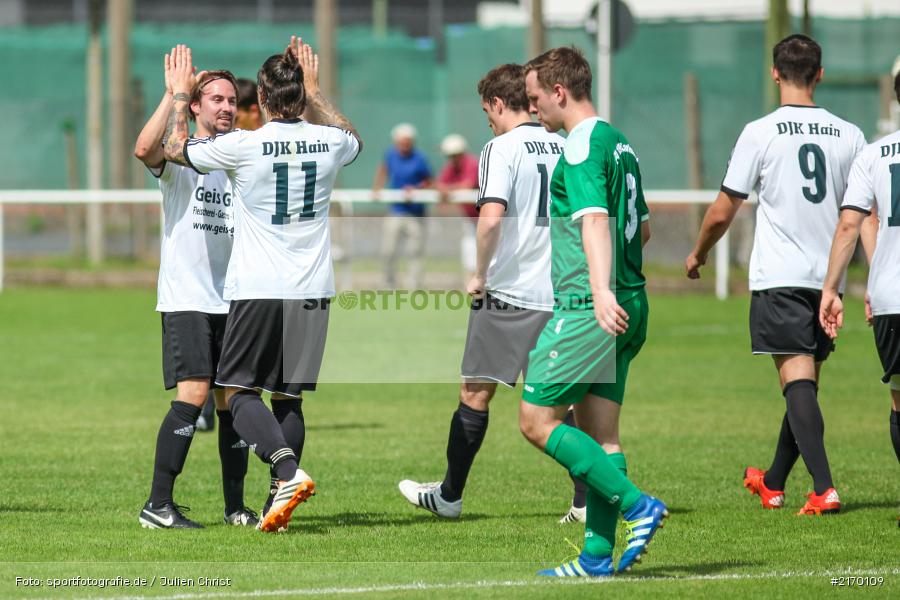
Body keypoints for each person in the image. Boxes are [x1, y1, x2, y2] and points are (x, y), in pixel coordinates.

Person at [162, 39, 362, 533]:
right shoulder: (331, 142)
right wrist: (317, 93)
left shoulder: (245, 144)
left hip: (261, 286)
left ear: (265, 101)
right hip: (315, 288)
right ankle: (278, 499)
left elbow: (172, 149)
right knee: (289, 398)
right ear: (302, 94)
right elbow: (351, 135)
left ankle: (287, 473)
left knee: (235, 389)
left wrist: (177, 96)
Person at [686, 34, 866, 516]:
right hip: (827, 280)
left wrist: (698, 253)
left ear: (774, 73)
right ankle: (773, 481)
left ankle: (825, 487)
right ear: (820, 74)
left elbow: (725, 209)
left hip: (780, 277)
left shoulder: (760, 132)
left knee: (797, 385)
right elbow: (862, 213)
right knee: (803, 383)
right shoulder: (850, 135)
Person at [398, 63, 585, 523]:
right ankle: (585, 501)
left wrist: (478, 274)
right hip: (562, 291)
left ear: (499, 105)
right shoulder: (566, 144)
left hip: (510, 292)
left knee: (475, 393)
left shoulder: (500, 148)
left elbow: (491, 217)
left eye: (488, 113)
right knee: (565, 402)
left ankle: (450, 495)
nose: (489, 121)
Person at [519, 46, 666, 577]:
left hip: (590, 307)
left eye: (536, 100)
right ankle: (596, 558)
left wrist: (599, 290)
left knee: (536, 419)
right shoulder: (619, 142)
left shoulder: (580, 145)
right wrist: (618, 288)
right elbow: (643, 229)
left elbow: (596, 221)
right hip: (632, 299)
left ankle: (637, 504)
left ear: (559, 92)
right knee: (603, 437)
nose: (533, 109)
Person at [133, 47, 256, 529]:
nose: (226, 107)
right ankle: (157, 504)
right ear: (198, 108)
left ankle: (234, 508)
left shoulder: (243, 153)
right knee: (196, 390)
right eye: (216, 100)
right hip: (188, 297)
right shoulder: (181, 154)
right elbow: (144, 150)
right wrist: (174, 95)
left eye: (231, 99)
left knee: (235, 399)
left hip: (237, 298)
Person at [820, 68, 900, 528]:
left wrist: (831, 288)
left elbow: (850, 224)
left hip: (892, 296)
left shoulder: (874, 154)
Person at [373, 123, 432, 289]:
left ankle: (414, 285)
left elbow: (429, 180)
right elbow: (383, 170)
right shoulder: (390, 155)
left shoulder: (420, 157)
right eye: (402, 142)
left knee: (415, 251)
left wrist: (416, 189)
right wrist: (377, 188)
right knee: (388, 250)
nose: (405, 145)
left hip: (416, 212)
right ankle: (387, 282)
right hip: (396, 210)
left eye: (407, 142)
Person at [435, 133, 480, 277]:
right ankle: (472, 278)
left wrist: (448, 189)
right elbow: (440, 184)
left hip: (487, 216)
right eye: (450, 155)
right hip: (471, 218)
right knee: (469, 247)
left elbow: (467, 185)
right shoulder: (451, 167)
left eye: (454, 155)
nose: (452, 159)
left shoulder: (472, 163)